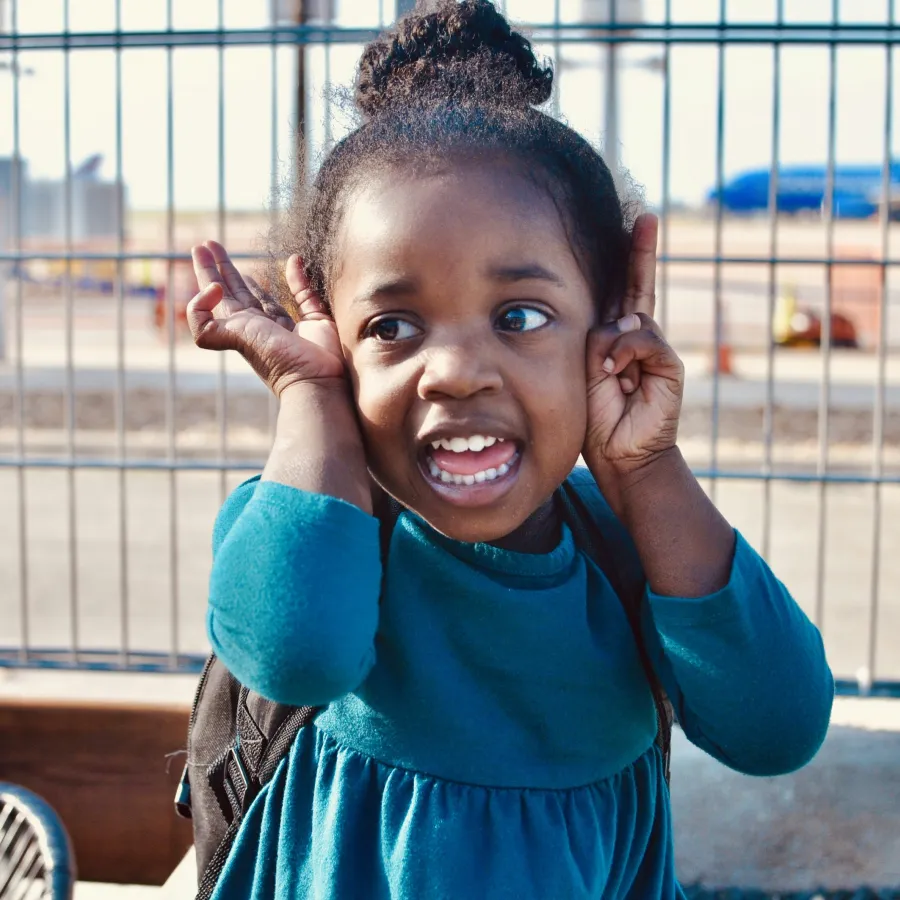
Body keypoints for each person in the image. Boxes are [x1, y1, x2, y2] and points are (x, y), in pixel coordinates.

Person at [187, 2, 834, 897]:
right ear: (330, 336)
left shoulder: (630, 554)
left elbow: (779, 728)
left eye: (519, 316)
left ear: (607, 324)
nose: (454, 371)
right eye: (392, 325)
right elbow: (302, 652)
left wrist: (646, 469)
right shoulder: (309, 531)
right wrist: (310, 396)